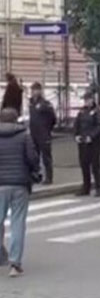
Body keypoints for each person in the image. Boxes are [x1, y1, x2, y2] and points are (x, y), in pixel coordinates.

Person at [0, 108, 40, 278]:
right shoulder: (24, 136)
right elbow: (32, 159)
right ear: (16, 120)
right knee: (17, 223)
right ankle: (15, 264)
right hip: (19, 185)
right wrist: (35, 173)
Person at [74, 92, 100, 197]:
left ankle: (98, 188)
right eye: (85, 100)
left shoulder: (97, 111)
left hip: (93, 143)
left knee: (95, 166)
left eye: (88, 100)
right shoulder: (82, 111)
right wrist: (76, 135)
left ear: (92, 99)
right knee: (84, 165)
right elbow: (76, 124)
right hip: (82, 142)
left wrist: (91, 136)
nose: (87, 102)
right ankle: (86, 187)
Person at [28, 82, 56, 184]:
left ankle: (49, 177)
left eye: (36, 90)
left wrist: (47, 129)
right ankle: (36, 176)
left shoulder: (45, 104)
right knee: (34, 157)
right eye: (32, 90)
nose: (34, 92)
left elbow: (53, 119)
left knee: (46, 157)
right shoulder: (31, 103)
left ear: (40, 91)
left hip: (44, 134)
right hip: (34, 134)